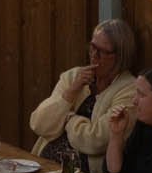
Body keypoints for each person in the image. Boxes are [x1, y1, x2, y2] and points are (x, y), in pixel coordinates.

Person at [29, 19, 141, 163]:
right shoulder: (73, 76)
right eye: (92, 47)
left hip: (86, 171)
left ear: (120, 56)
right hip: (45, 162)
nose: (94, 55)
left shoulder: (130, 90)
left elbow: (96, 141)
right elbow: (39, 125)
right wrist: (71, 92)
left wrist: (68, 119)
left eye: (102, 52)